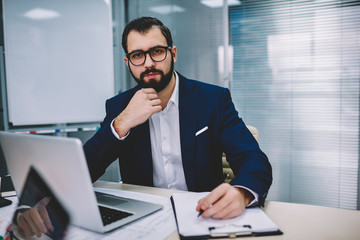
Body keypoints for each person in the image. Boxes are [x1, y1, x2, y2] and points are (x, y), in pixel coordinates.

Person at [84, 16, 272, 220]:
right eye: (137, 55)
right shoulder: (119, 107)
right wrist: (122, 123)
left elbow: (253, 159)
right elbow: (84, 171)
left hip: (202, 213)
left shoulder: (213, 100)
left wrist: (242, 193)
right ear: (128, 62)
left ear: (172, 53)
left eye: (156, 51)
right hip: (145, 217)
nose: (148, 63)